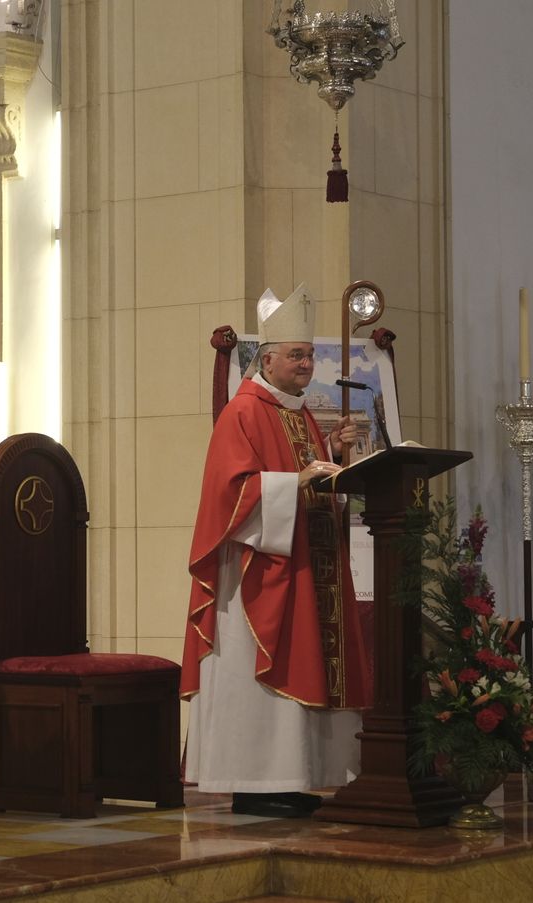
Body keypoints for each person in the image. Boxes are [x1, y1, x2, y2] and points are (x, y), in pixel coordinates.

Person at [181, 283, 370, 819]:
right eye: (296, 355)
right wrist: (297, 481)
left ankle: (294, 778)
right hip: (255, 573)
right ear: (267, 360)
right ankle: (255, 783)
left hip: (301, 564)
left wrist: (333, 454)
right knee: (256, 677)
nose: (306, 364)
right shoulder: (242, 412)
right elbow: (231, 494)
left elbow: (303, 471)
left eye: (309, 355)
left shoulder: (299, 413)